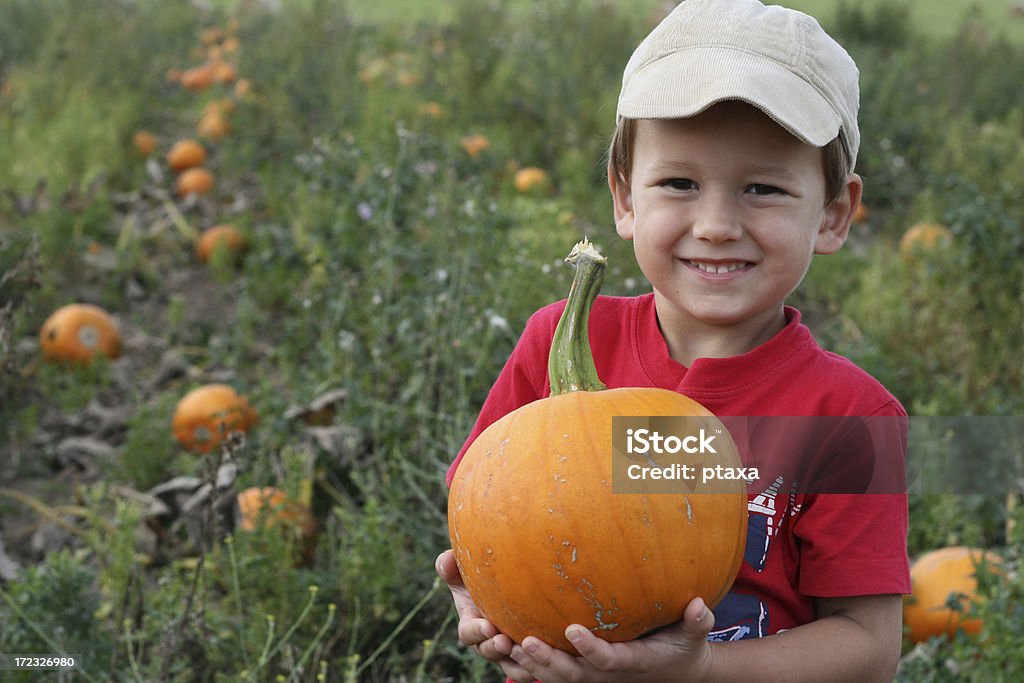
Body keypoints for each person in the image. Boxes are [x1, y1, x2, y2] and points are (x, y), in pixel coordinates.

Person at [436, 0, 911, 680]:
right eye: (680, 182)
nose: (716, 224)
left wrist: (702, 671)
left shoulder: (850, 419)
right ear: (625, 198)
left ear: (834, 213)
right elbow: (485, 522)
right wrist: (476, 595)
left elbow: (868, 648)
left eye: (763, 188)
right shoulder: (560, 342)